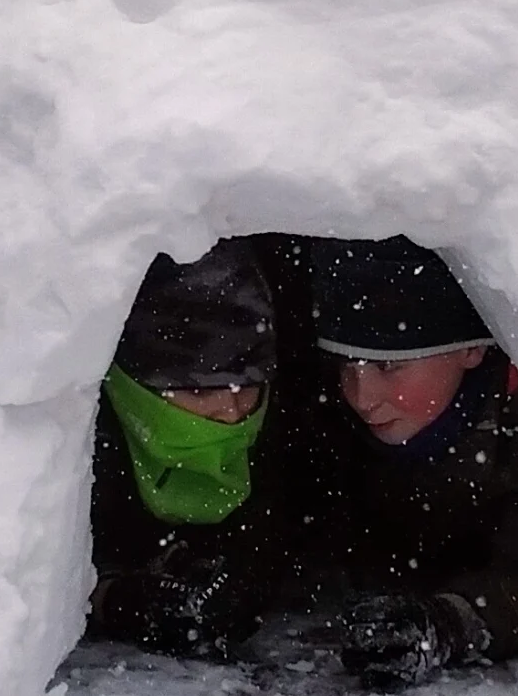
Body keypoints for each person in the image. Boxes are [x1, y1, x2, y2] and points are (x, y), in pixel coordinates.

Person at [300, 236, 518, 690]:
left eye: (389, 368)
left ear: (472, 351)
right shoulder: (330, 412)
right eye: (346, 367)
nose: (361, 397)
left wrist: (450, 623)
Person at [80, 238, 356, 661]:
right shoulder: (76, 447)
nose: (229, 411)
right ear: (133, 385)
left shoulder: (301, 427)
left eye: (246, 386)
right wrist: (117, 597)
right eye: (196, 390)